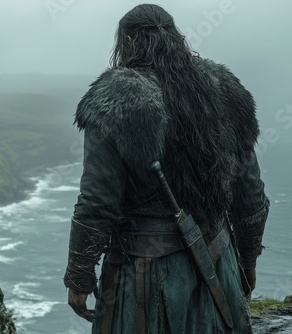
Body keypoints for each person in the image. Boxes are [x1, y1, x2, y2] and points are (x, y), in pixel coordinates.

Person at [63, 4, 269, 334]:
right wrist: (247, 260)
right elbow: (251, 194)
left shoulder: (115, 99)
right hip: (219, 264)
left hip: (146, 277)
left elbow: (97, 201)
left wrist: (78, 276)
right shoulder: (224, 90)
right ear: (175, 37)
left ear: (127, 41)